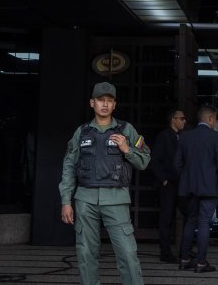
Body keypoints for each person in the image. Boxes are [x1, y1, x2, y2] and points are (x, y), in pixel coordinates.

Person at [58, 81, 151, 285]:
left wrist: (127, 149)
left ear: (114, 105)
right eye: (101, 100)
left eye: (109, 100)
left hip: (116, 200)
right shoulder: (81, 132)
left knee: (127, 253)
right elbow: (68, 167)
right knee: (86, 254)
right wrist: (66, 201)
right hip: (85, 200)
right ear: (92, 103)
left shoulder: (126, 129)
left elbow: (144, 160)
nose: (105, 104)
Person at [175, 104, 218, 274]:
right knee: (204, 221)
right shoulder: (217, 137)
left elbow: (177, 164)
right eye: (215, 120)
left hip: (189, 187)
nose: (215, 123)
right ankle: (200, 262)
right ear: (210, 118)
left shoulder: (185, 136)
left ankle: (184, 260)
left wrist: (186, 180)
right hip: (209, 188)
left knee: (191, 221)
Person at [152, 107, 187, 263]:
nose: (184, 121)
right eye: (181, 118)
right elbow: (155, 159)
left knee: (189, 214)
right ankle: (165, 252)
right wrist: (163, 179)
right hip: (169, 183)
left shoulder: (182, 136)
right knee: (166, 218)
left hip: (181, 183)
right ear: (173, 120)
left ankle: (185, 249)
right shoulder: (164, 136)